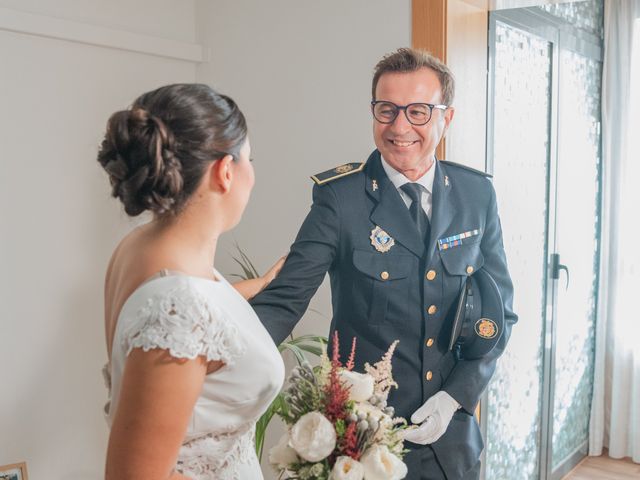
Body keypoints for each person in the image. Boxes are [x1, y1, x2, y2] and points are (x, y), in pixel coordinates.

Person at [251, 48, 517, 479]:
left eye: (417, 111)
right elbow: (285, 301)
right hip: (362, 443)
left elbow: (497, 317)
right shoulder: (341, 198)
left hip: (451, 439)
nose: (399, 127)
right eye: (386, 110)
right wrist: (216, 370)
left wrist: (455, 397)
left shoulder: (476, 196)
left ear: (446, 118)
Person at [98, 83, 285, 479]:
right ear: (225, 172)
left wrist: (262, 282)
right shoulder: (179, 306)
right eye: (250, 160)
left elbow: (200, 329)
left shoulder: (139, 248)